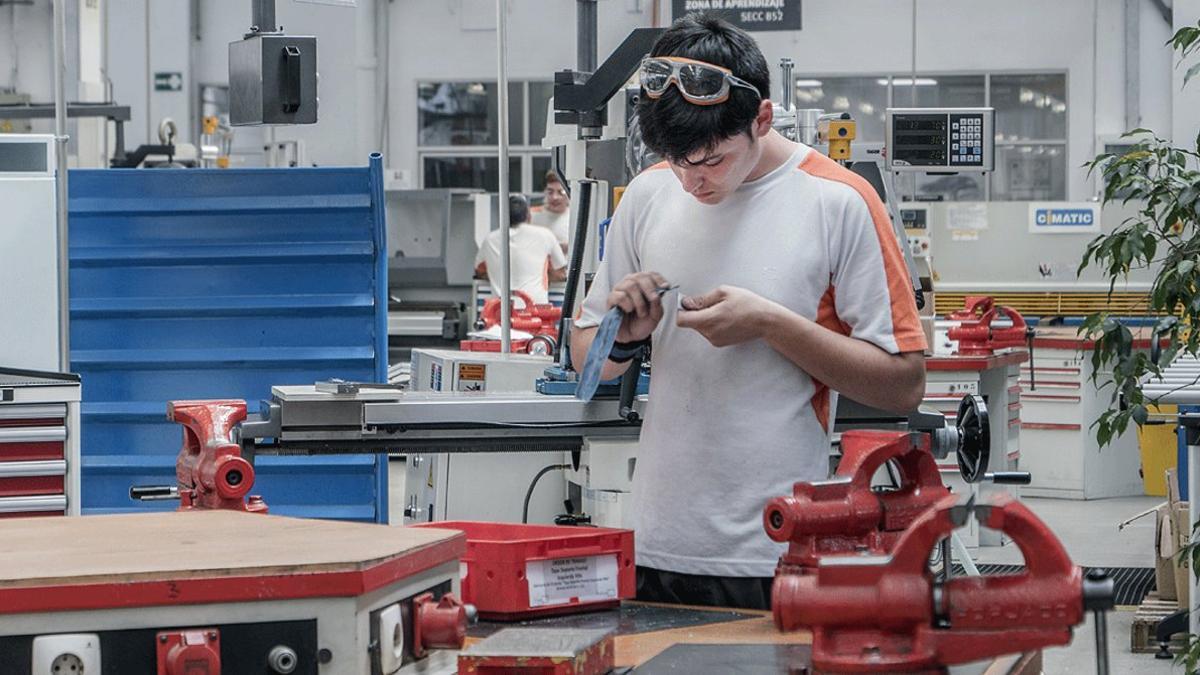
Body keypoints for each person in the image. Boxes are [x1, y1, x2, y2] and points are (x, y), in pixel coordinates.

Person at [569, 14, 927, 610]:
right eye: (677, 160)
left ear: (762, 118)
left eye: (710, 159)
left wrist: (770, 324)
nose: (691, 181)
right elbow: (586, 364)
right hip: (659, 540)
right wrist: (624, 337)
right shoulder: (649, 194)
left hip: (779, 545)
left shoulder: (837, 201)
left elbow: (903, 385)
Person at [475, 194, 568, 306]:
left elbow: (479, 271)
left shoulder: (490, 240)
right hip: (535, 309)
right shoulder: (545, 235)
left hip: (502, 309)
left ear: (502, 216)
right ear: (528, 216)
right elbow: (561, 274)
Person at [531, 171, 571, 249]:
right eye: (550, 192)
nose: (555, 197)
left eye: (561, 192)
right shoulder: (531, 216)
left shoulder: (575, 218)